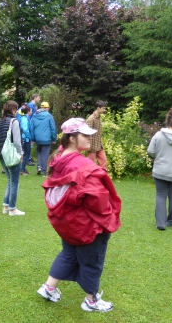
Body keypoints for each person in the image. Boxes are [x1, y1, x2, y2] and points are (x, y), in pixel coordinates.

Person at [36, 118, 121, 313]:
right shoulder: (84, 166)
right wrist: (107, 219)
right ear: (72, 138)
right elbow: (98, 200)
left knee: (69, 254)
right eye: (85, 135)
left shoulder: (58, 158)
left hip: (68, 223)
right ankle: (91, 301)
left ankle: (49, 288)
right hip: (86, 225)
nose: (90, 138)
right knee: (93, 261)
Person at [0, 100, 24, 216]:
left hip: (1, 154)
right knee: (14, 182)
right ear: (13, 109)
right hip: (12, 155)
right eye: (16, 108)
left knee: (9, 181)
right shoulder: (14, 121)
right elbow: (17, 141)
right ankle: (12, 209)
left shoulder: (0, 120)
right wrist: (21, 153)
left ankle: (6, 206)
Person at [31, 101, 56, 176]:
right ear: (47, 108)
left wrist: (33, 139)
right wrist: (54, 138)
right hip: (46, 139)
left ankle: (39, 166)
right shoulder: (49, 116)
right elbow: (53, 128)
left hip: (38, 138)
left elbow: (32, 128)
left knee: (39, 153)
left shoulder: (35, 115)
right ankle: (44, 171)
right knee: (45, 154)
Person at [86, 100, 107, 170]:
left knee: (104, 162)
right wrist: (88, 146)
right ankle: (89, 179)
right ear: (98, 108)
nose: (104, 110)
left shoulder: (99, 117)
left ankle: (103, 179)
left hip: (99, 145)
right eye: (103, 108)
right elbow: (87, 133)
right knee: (90, 166)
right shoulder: (90, 119)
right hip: (92, 147)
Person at [26, 94, 40, 166]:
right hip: (30, 126)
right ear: (34, 98)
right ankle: (28, 158)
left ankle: (30, 157)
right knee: (29, 142)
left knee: (31, 142)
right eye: (38, 98)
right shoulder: (30, 105)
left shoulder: (34, 106)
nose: (39, 99)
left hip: (32, 125)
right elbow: (30, 117)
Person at [19, 106, 32, 175]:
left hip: (25, 138)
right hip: (25, 139)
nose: (32, 112)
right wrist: (29, 137)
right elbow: (25, 129)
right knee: (25, 154)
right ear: (28, 111)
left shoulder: (26, 118)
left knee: (25, 154)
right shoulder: (24, 119)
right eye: (31, 110)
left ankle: (23, 168)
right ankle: (21, 170)